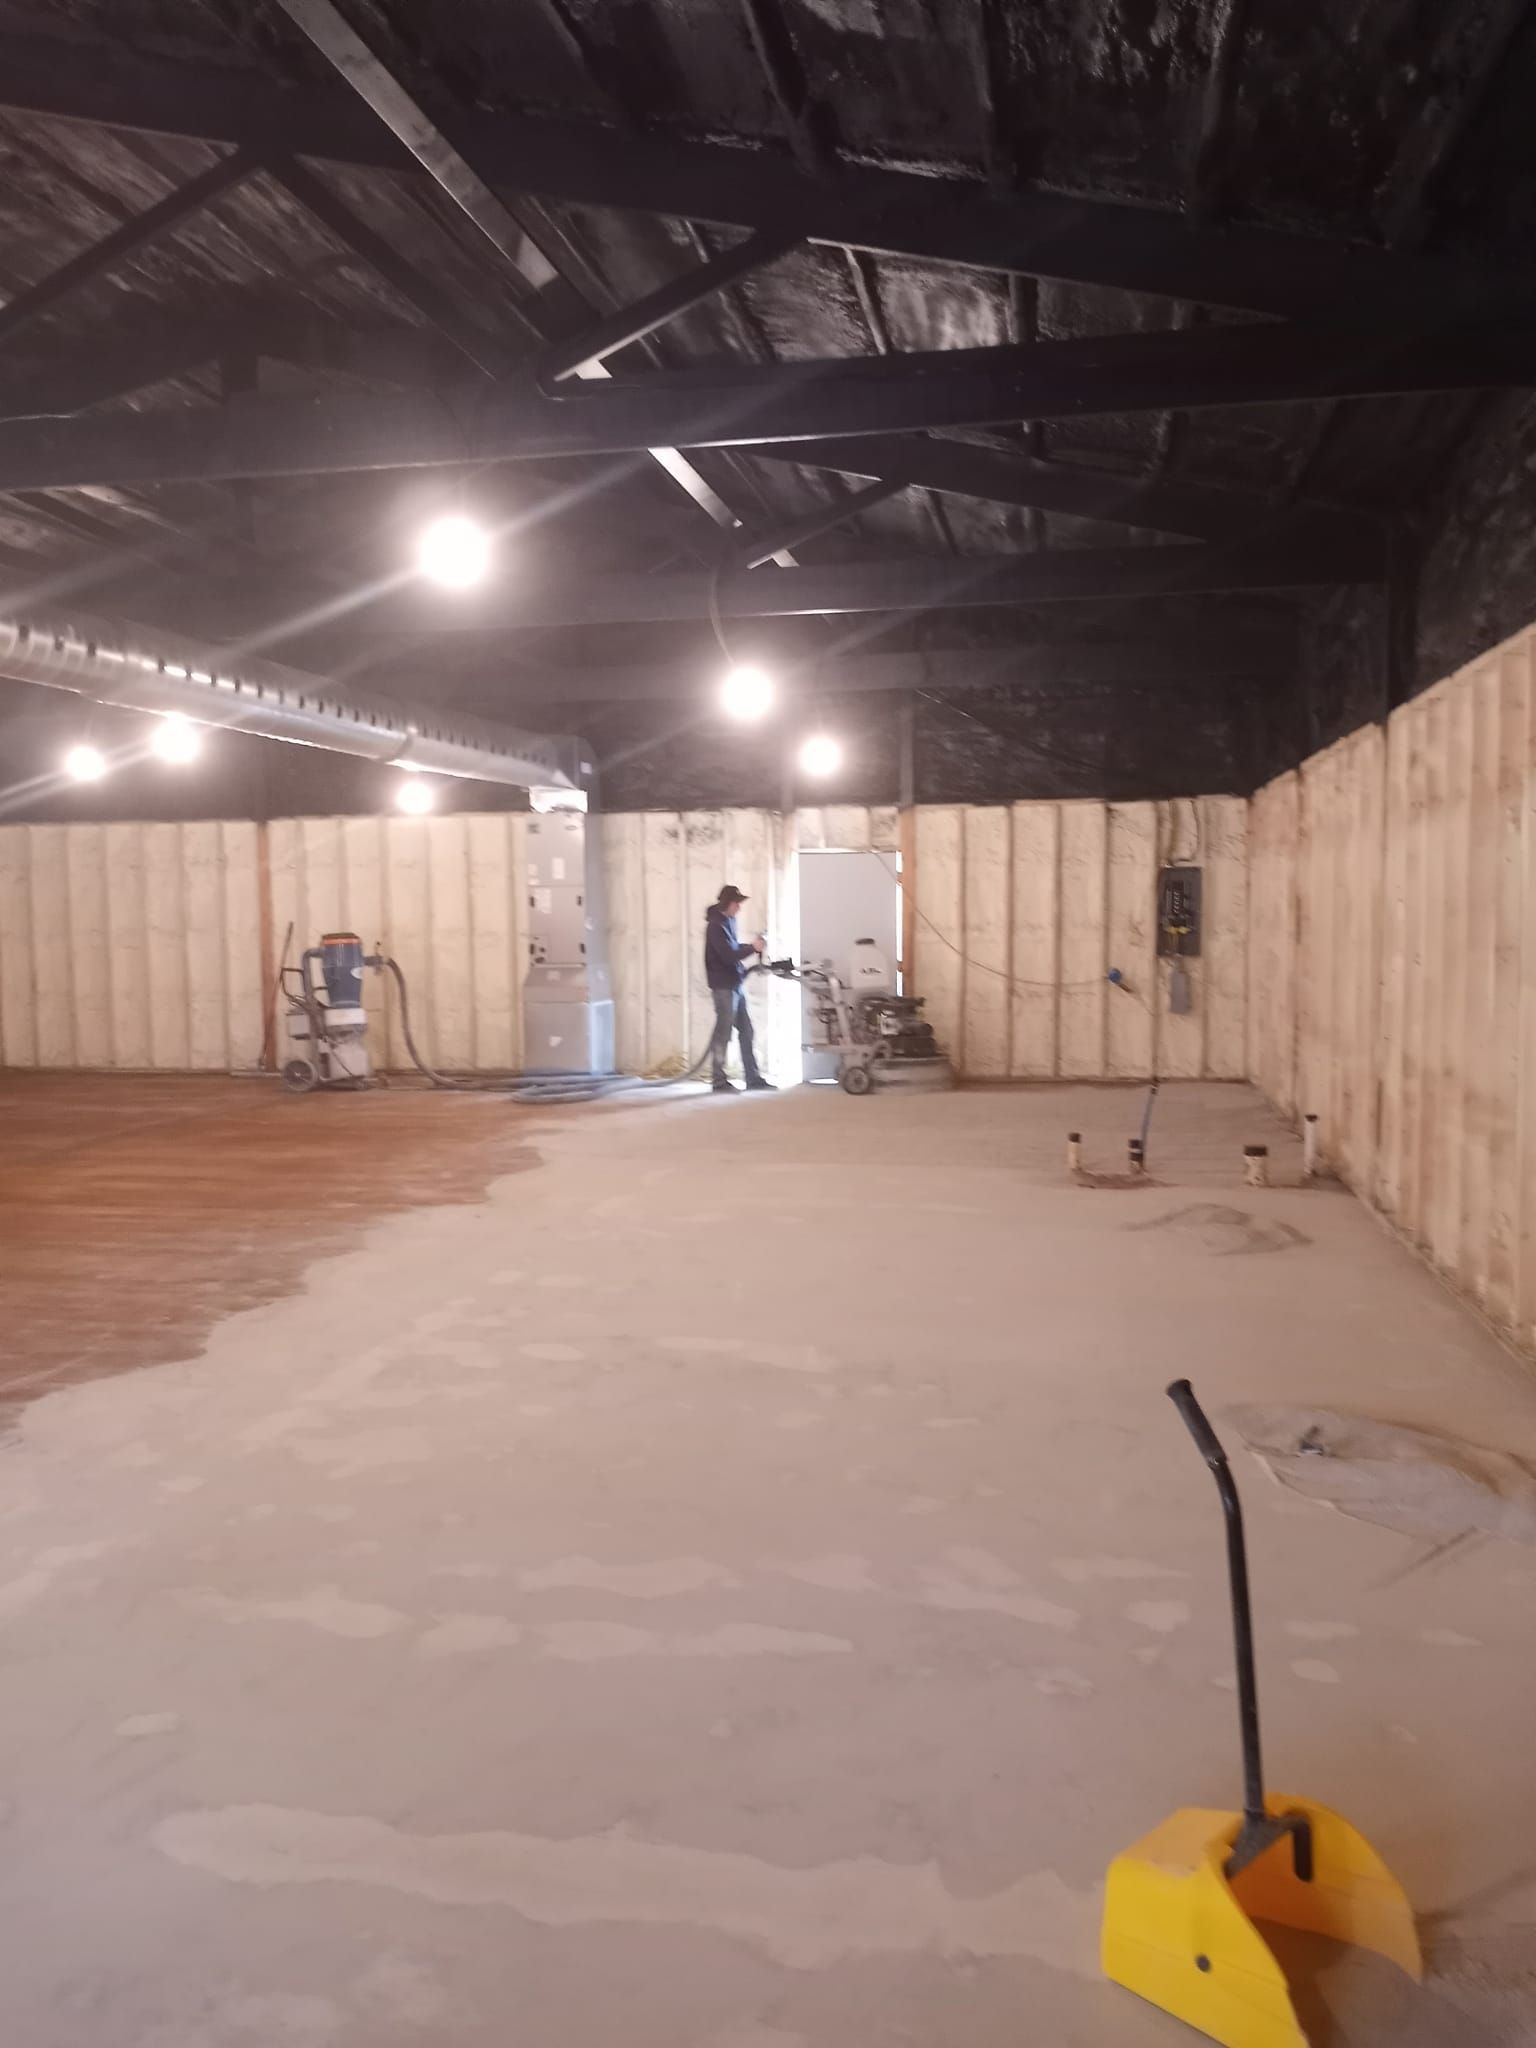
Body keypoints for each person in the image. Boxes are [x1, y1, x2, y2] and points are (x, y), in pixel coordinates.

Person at [703, 885, 774, 1094]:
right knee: (723, 1033)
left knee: (747, 1030)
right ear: (728, 903)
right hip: (723, 987)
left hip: (735, 983)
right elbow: (727, 955)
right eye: (737, 904)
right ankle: (718, 1081)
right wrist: (752, 948)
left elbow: (733, 948)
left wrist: (751, 947)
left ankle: (752, 1077)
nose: (739, 908)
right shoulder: (715, 926)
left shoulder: (728, 922)